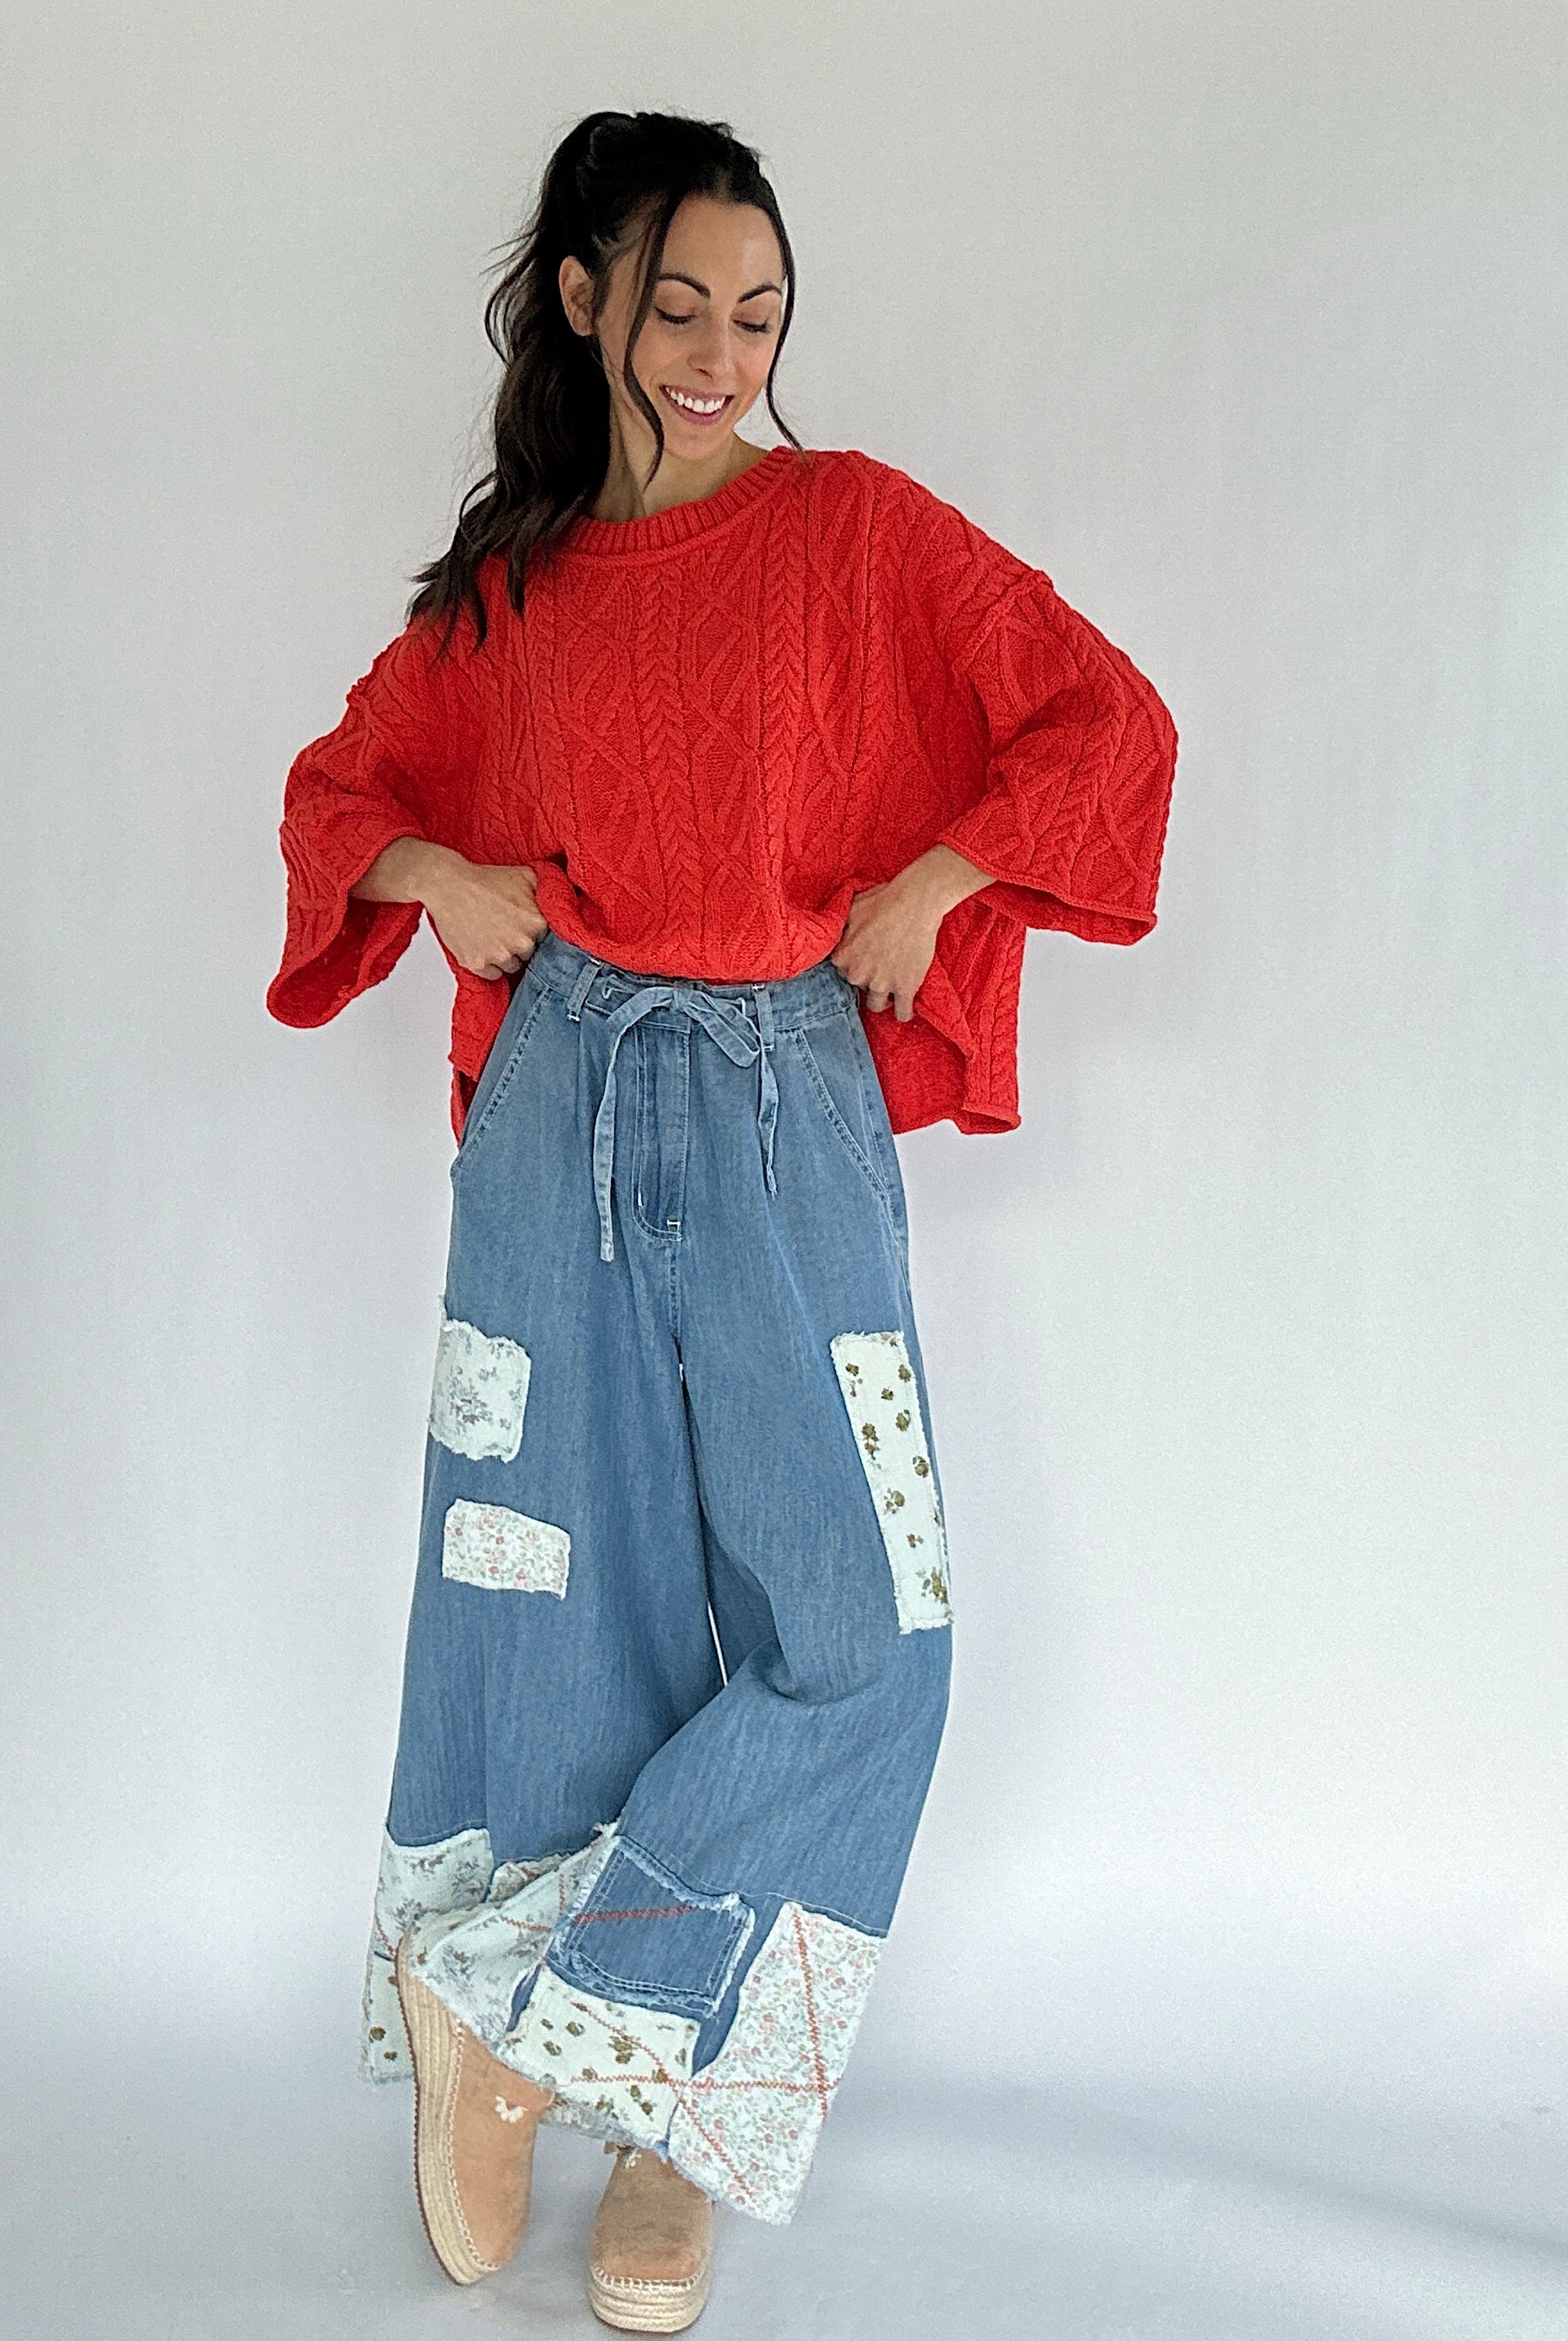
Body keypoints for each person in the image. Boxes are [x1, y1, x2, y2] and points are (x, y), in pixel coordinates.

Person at [266, 106, 1177, 2335]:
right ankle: (623, 2115)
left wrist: (941, 877)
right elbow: (340, 791)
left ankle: (553, 2029)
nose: (717, 351)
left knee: (862, 1632)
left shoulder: (854, 530)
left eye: (757, 314)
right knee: (567, 1617)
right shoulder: (513, 593)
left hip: (783, 1107)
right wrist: (432, 876)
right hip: (559, 1105)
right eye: (677, 303)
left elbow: (1102, 721)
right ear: (583, 296)